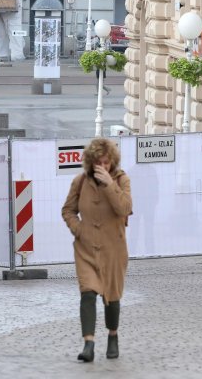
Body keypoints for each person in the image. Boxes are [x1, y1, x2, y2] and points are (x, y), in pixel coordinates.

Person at [62, 138, 132, 362]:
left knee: (111, 297)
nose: (103, 166)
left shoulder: (121, 180)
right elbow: (68, 210)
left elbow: (125, 208)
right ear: (91, 163)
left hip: (114, 249)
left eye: (107, 162)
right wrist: (78, 229)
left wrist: (110, 186)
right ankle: (88, 344)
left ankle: (113, 336)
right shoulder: (80, 182)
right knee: (88, 293)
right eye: (99, 163)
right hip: (86, 248)